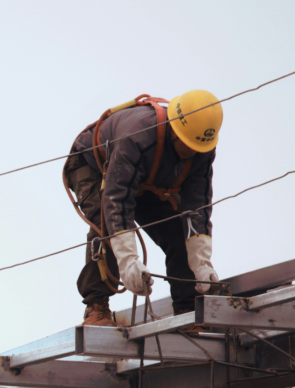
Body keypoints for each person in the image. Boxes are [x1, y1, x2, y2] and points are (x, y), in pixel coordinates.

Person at [63, 90, 224, 326]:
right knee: (105, 224)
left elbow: (196, 207)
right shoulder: (138, 136)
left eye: (196, 148)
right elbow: (116, 202)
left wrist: (201, 263)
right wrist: (128, 262)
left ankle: (189, 310)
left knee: (178, 234)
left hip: (143, 179)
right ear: (174, 131)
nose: (191, 152)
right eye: (187, 145)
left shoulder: (202, 146)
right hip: (93, 166)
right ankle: (96, 307)